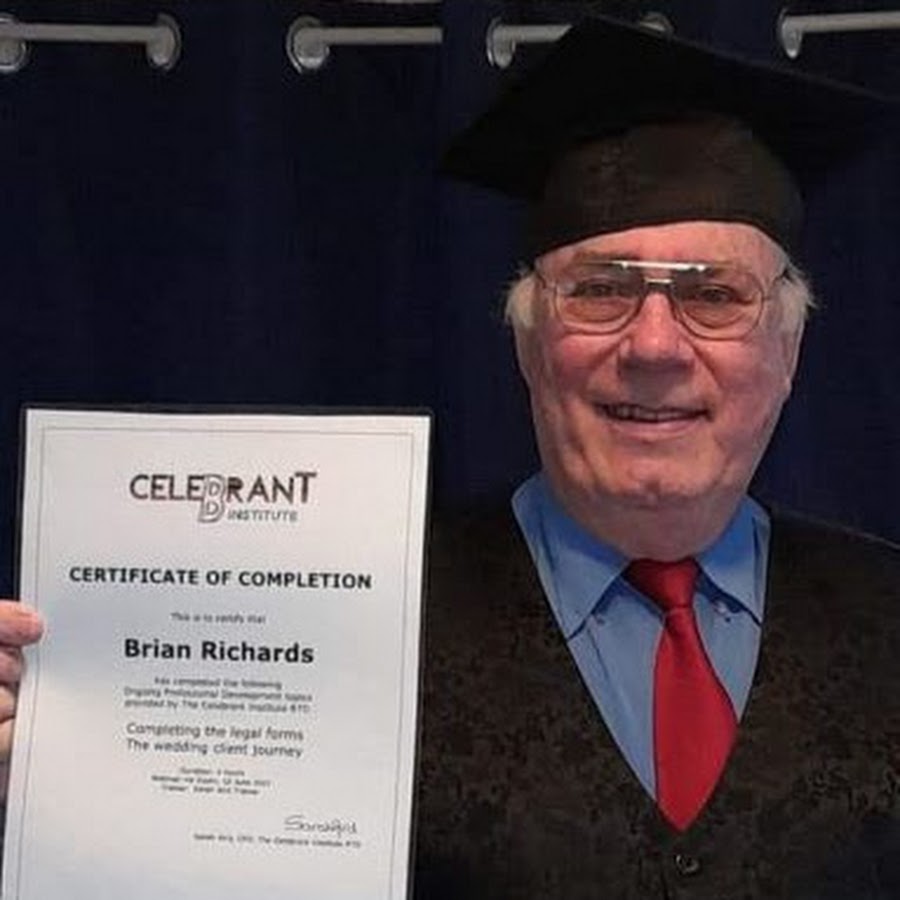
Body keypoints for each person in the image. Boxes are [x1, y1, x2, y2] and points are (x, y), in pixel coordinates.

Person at [0, 15, 898, 900]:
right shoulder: (338, 615)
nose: (654, 346)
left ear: (787, 351)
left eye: (715, 297)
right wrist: (60, 768)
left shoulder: (888, 617)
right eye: (599, 291)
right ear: (528, 344)